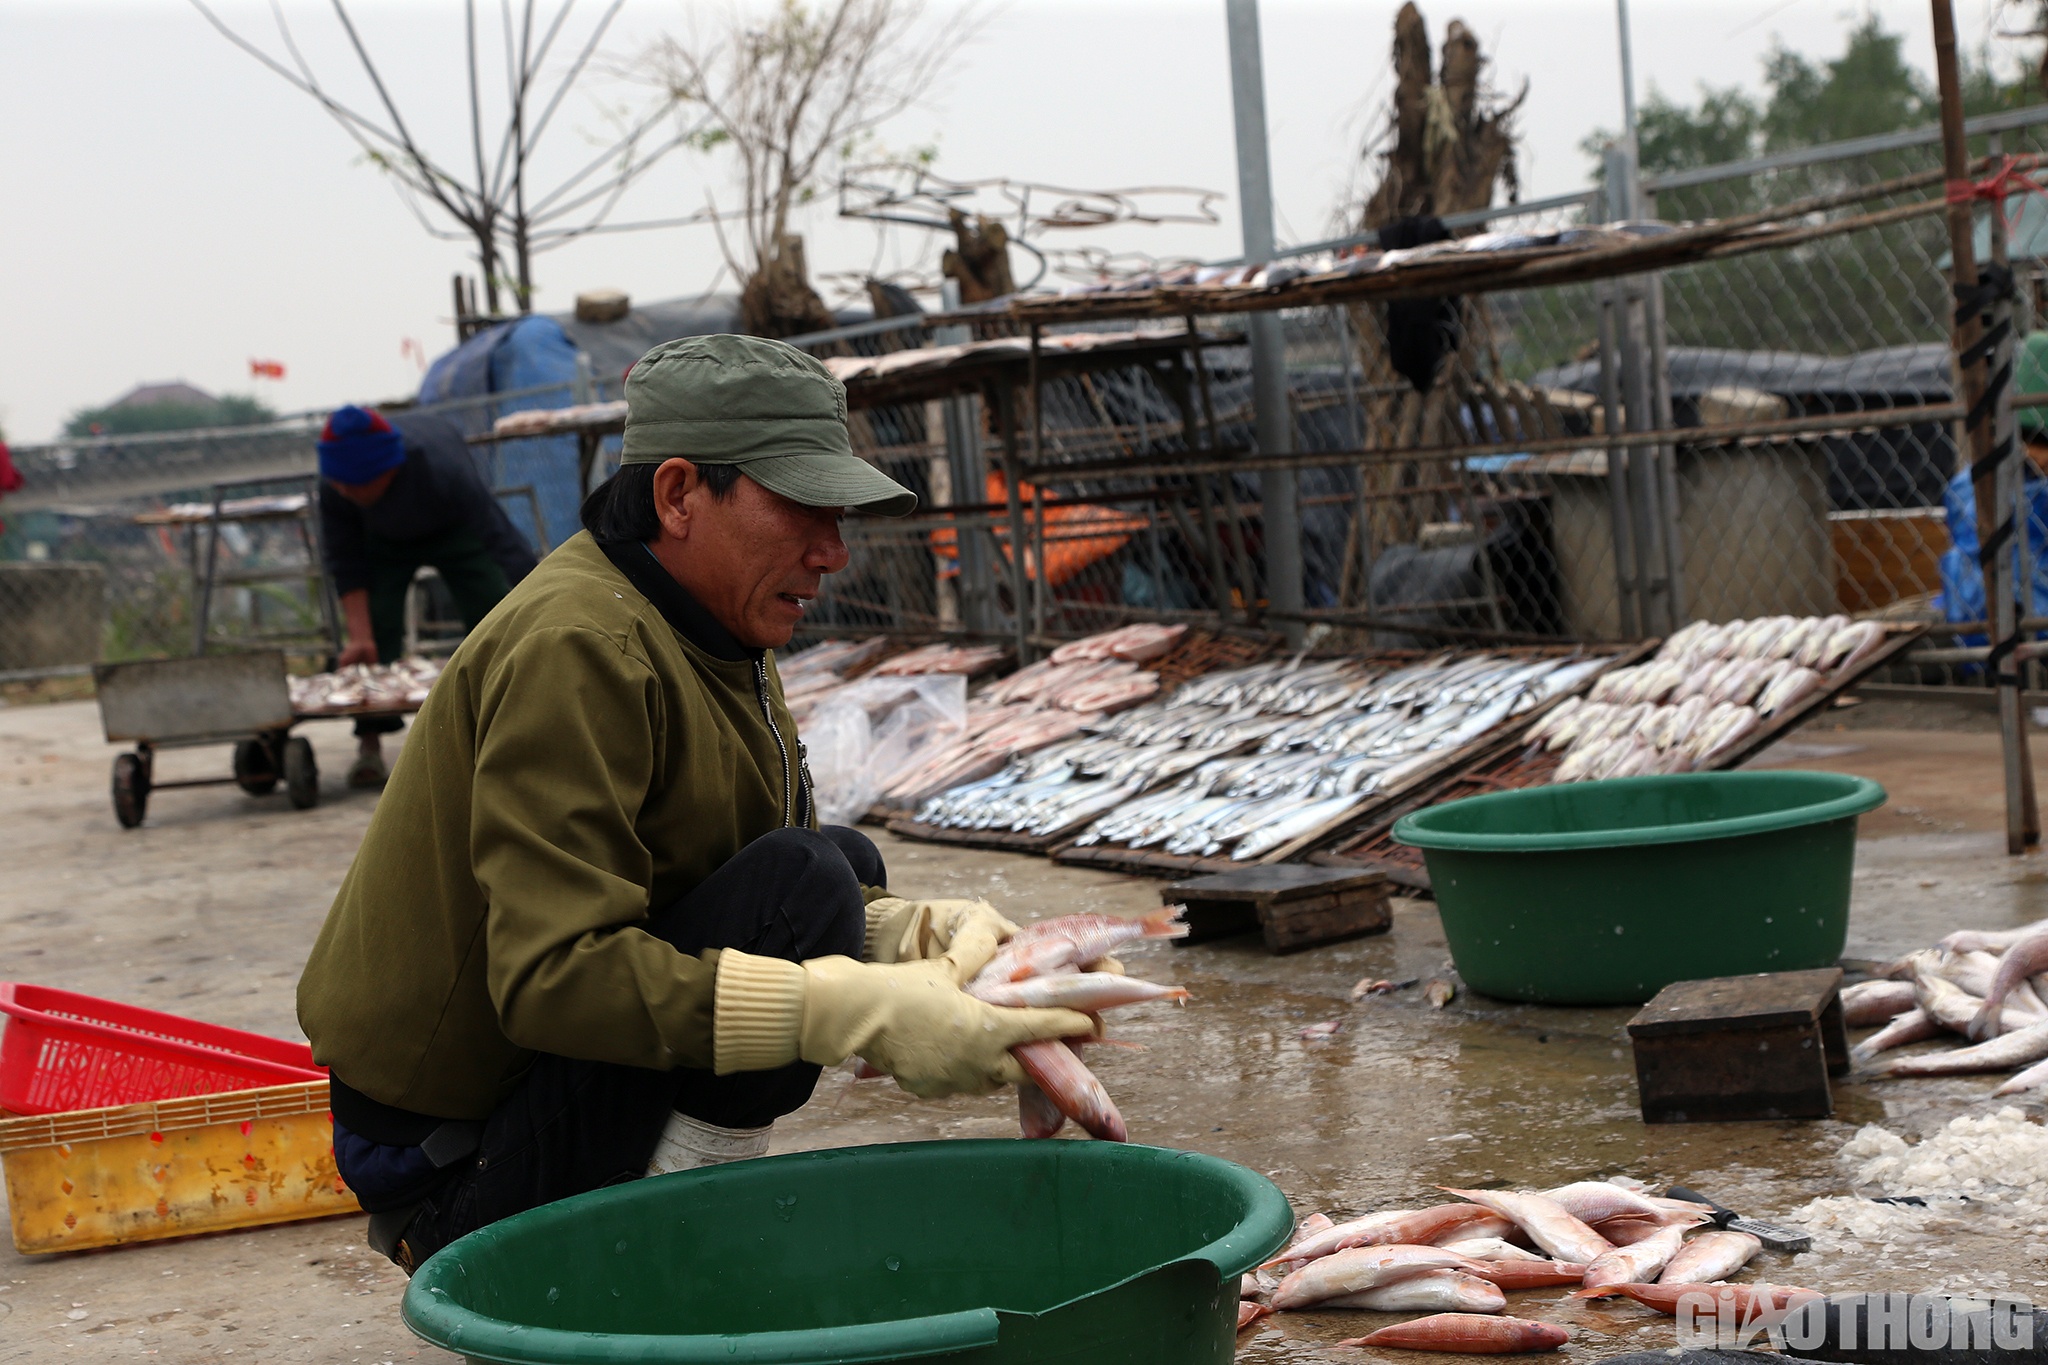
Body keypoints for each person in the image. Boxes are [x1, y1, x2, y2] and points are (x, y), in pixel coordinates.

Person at [296, 335, 1092, 1275]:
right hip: (452, 1168)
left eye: (836, 516)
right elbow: (552, 977)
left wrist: (910, 936)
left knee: (835, 871)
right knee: (803, 886)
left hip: (530, 1088)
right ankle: (664, 1247)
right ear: (677, 494)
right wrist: (843, 1009)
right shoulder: (577, 645)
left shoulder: (720, 634)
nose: (833, 553)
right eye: (802, 509)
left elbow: (765, 867)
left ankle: (676, 1200)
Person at [316, 404, 538, 787]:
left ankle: (509, 727)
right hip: (382, 542)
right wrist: (360, 635)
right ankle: (369, 742)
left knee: (491, 609)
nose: (346, 492)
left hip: (453, 530)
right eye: (340, 485)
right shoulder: (338, 487)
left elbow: (499, 537)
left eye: (356, 484)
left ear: (387, 469)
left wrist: (538, 605)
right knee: (376, 630)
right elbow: (345, 560)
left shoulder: (441, 470)